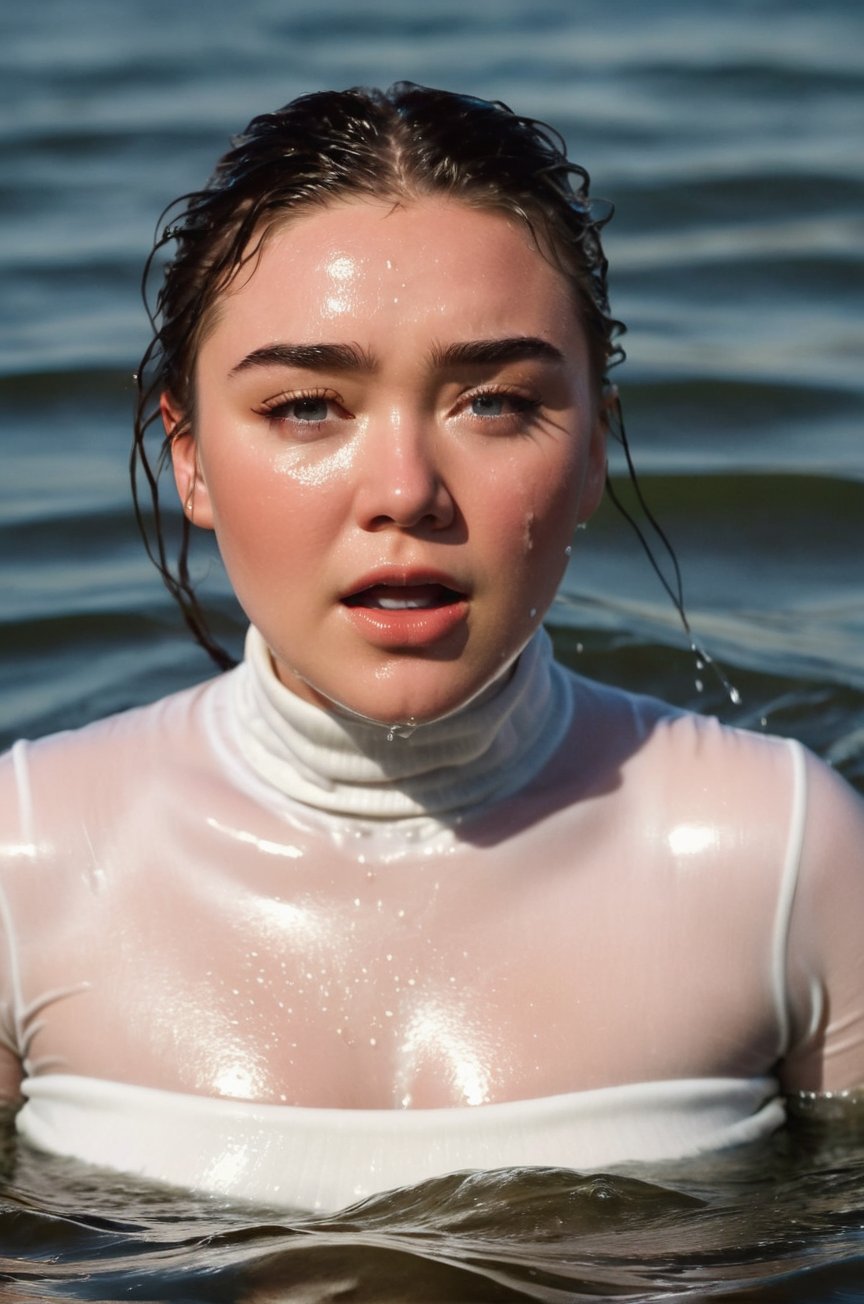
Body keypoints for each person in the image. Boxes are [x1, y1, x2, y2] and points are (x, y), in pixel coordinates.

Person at [1, 84, 863, 1215]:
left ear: (596, 442)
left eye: (496, 403)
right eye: (308, 405)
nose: (404, 489)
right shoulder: (23, 862)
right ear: (191, 457)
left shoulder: (782, 854)